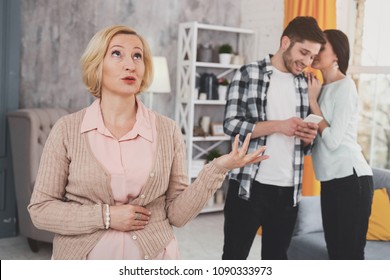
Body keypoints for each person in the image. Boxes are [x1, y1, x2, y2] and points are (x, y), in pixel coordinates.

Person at [27, 25, 269, 260]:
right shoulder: (67, 129)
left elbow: (178, 215)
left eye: (137, 56)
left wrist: (218, 168)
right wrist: (106, 216)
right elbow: (41, 210)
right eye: (116, 53)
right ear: (97, 64)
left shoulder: (167, 130)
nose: (130, 64)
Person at [222, 16, 326, 260]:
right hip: (248, 186)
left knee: (277, 261)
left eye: (312, 56)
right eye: (303, 52)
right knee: (234, 258)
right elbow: (231, 124)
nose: (307, 62)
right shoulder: (248, 74)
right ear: (285, 42)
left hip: (289, 191)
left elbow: (306, 147)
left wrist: (309, 137)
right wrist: (278, 125)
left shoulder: (306, 85)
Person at [307, 29, 373, 260]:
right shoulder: (320, 87)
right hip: (330, 180)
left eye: (322, 47)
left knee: (350, 257)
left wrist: (313, 104)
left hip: (352, 180)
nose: (316, 52)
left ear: (337, 55)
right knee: (335, 254)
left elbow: (333, 141)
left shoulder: (346, 87)